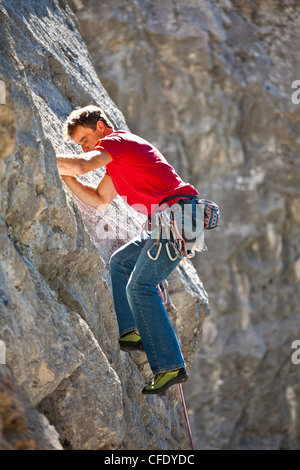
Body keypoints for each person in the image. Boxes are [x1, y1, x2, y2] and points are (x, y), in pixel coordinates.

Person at [57, 105, 204, 394]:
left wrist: (45, 151)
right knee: (120, 263)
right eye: (80, 145)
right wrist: (67, 178)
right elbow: (99, 199)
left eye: (84, 139)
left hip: (178, 217)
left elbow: (82, 164)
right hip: (168, 222)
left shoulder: (118, 142)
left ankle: (170, 365)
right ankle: (132, 332)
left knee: (141, 286)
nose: (85, 147)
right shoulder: (118, 162)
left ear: (100, 126)